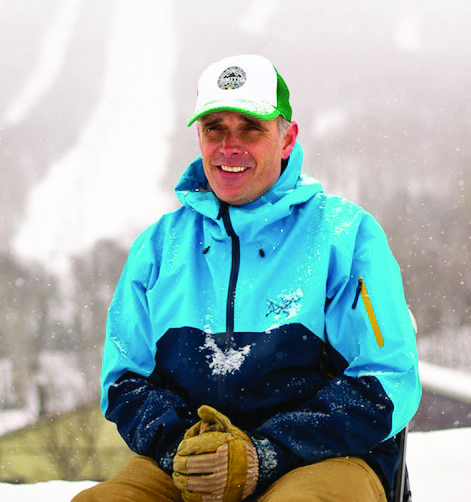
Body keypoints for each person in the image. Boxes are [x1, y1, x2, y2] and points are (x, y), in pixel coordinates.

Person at [75, 54, 421, 501]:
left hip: (325, 459)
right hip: (191, 468)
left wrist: (265, 454)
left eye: (251, 129)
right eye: (214, 128)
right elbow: (123, 380)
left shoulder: (346, 238)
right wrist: (184, 447)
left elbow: (388, 379)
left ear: (286, 138)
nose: (228, 146)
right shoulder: (159, 248)